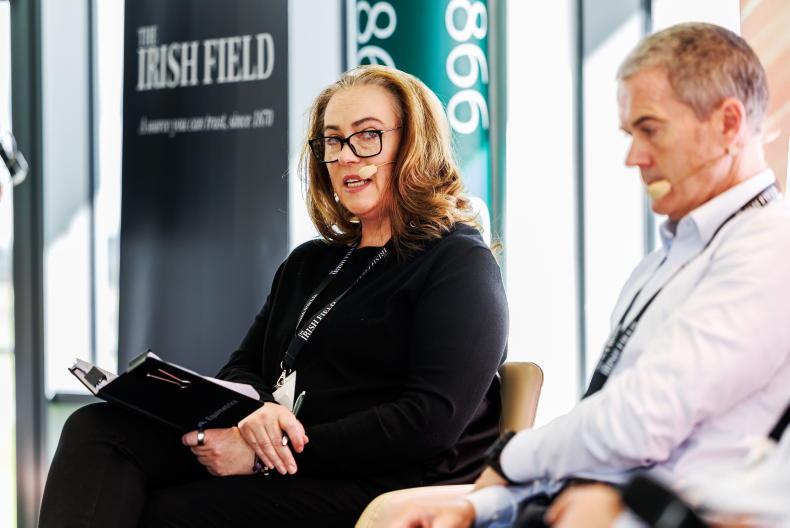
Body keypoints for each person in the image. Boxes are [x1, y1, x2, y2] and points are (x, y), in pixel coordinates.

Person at [38, 65, 508, 527]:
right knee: (98, 429)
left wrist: (267, 452)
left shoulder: (457, 262)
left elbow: (427, 422)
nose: (346, 155)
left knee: (167, 513)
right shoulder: (310, 263)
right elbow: (242, 367)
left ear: (415, 144)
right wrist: (260, 414)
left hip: (385, 484)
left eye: (368, 135)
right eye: (332, 140)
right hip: (288, 461)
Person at [390, 22, 790, 528]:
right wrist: (479, 505)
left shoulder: (771, 247)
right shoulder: (662, 263)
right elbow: (600, 429)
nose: (634, 158)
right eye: (629, 134)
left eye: (650, 129)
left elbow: (642, 419)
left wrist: (509, 458)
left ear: (728, 124)